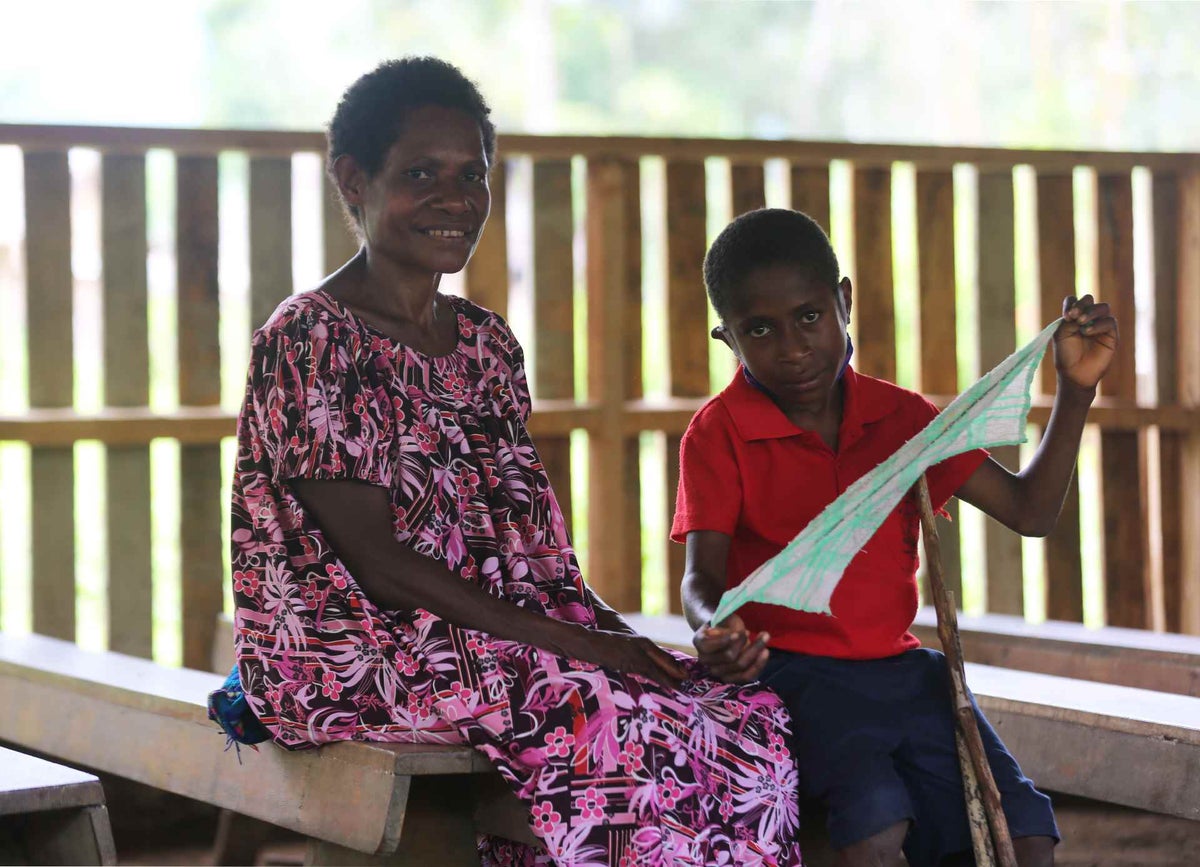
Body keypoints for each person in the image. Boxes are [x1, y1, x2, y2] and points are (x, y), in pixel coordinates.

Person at [230, 58, 803, 867]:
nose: (455, 198)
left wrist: (615, 633)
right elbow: (382, 567)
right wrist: (587, 651)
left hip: (489, 640)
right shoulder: (312, 339)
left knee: (737, 710)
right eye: (420, 172)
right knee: (594, 712)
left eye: (473, 174)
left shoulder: (485, 343)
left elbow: (530, 556)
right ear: (353, 179)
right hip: (353, 651)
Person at [673, 208, 1118, 867]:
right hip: (791, 676)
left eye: (810, 316)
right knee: (875, 820)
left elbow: (1030, 511)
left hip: (907, 674)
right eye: (759, 329)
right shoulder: (719, 432)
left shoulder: (900, 419)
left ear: (844, 301)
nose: (793, 346)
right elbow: (698, 578)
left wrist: (1076, 392)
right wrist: (714, 628)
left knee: (1021, 831)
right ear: (728, 338)